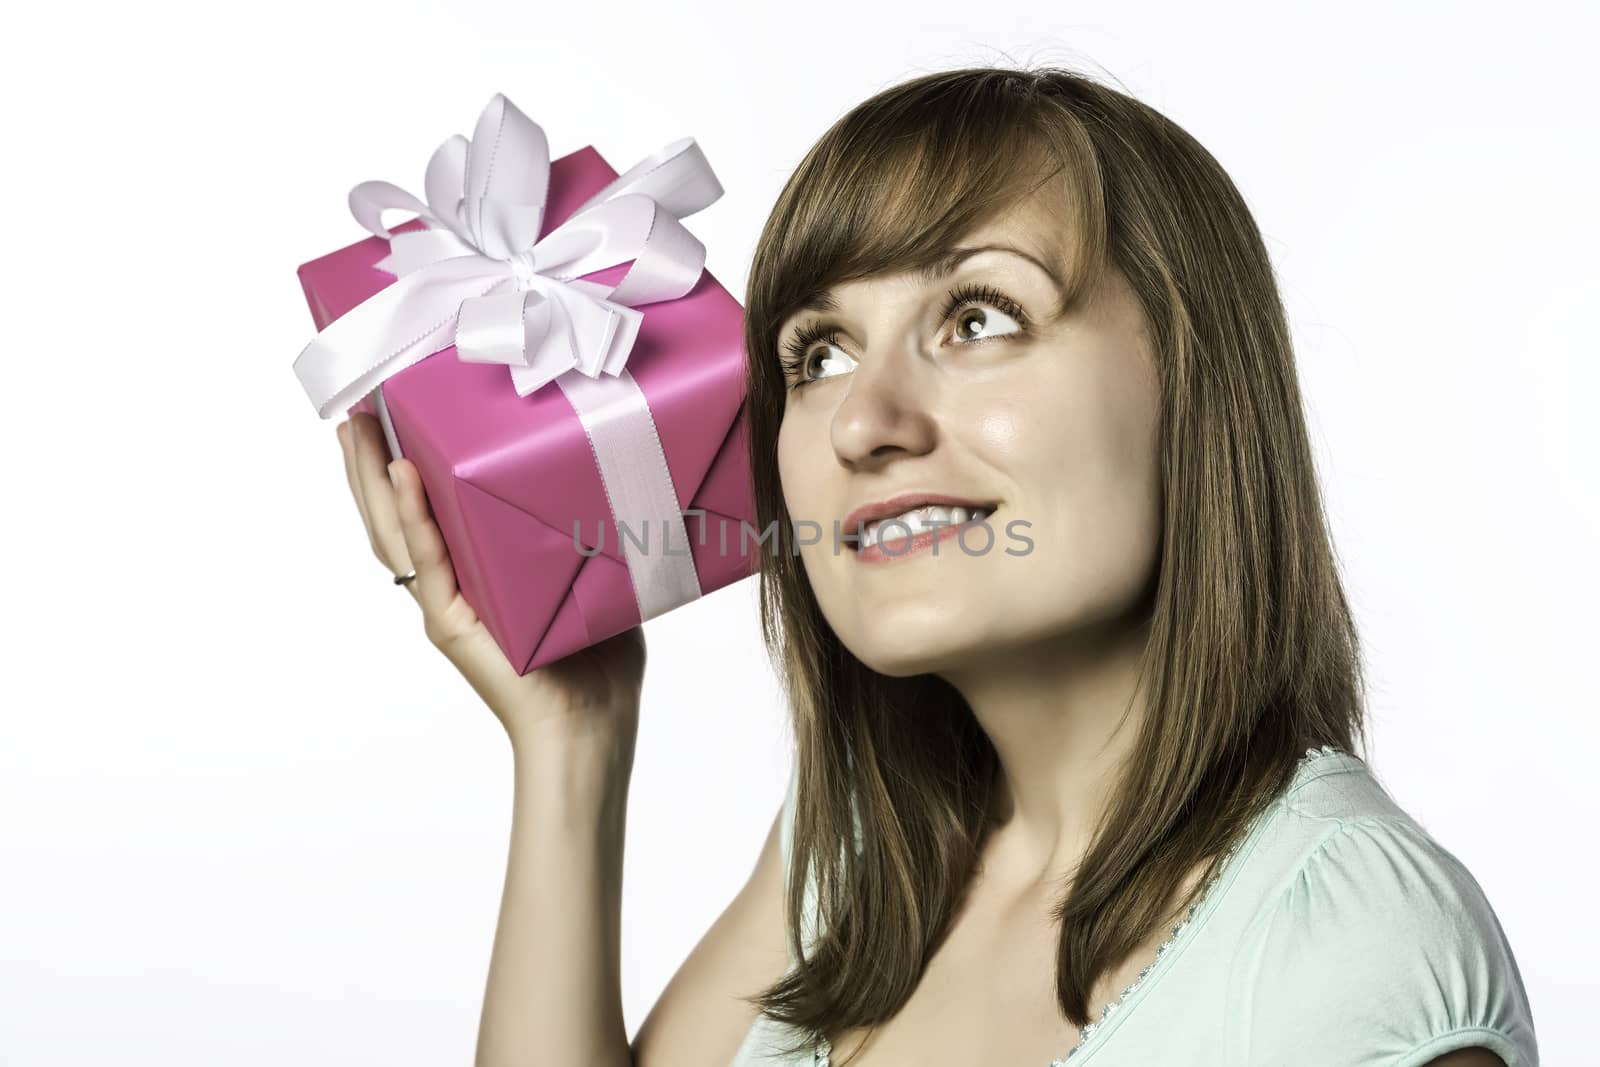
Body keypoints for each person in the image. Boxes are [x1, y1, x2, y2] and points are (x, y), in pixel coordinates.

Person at [334, 65, 1538, 1067]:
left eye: (978, 317)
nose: (865, 420)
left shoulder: (1340, 946)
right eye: (817, 352)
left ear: (1194, 381)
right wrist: (572, 744)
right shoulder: (847, 853)